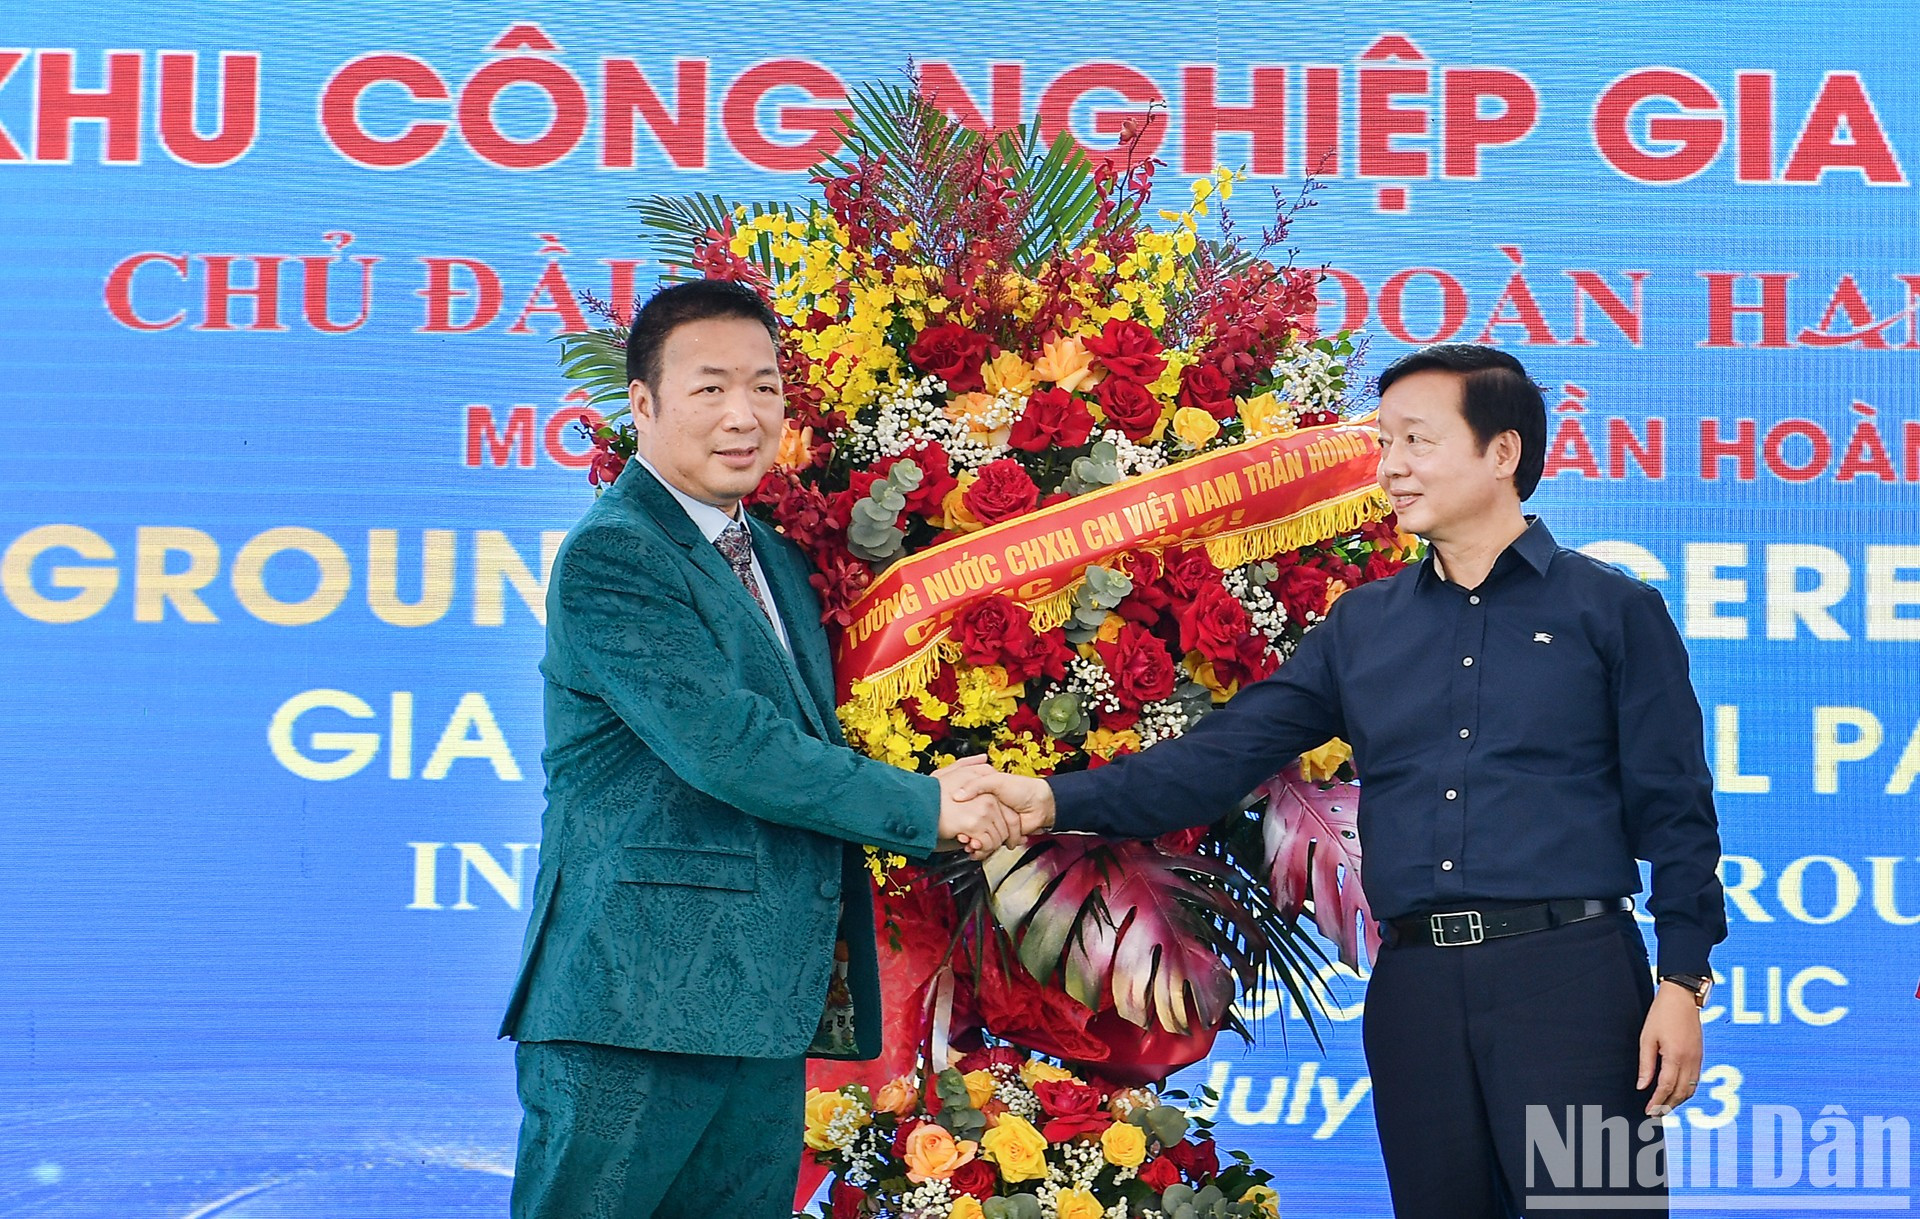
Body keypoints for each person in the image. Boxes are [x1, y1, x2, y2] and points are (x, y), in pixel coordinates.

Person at [955, 344, 1726, 1218]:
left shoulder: (1611, 610)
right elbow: (1219, 758)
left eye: (1416, 440)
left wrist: (1681, 982)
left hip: (1573, 984)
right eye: (1385, 440)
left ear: (1502, 453)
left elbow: (1677, 810)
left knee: (1600, 1211)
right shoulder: (1364, 626)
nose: (1390, 466)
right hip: (1418, 995)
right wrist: (1052, 800)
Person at [498, 279, 1019, 1219]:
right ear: (644, 404)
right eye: (709, 389)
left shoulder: (770, 553)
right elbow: (733, 747)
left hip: (760, 1004)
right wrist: (926, 806)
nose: (744, 416)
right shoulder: (617, 555)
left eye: (766, 387)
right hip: (637, 1004)